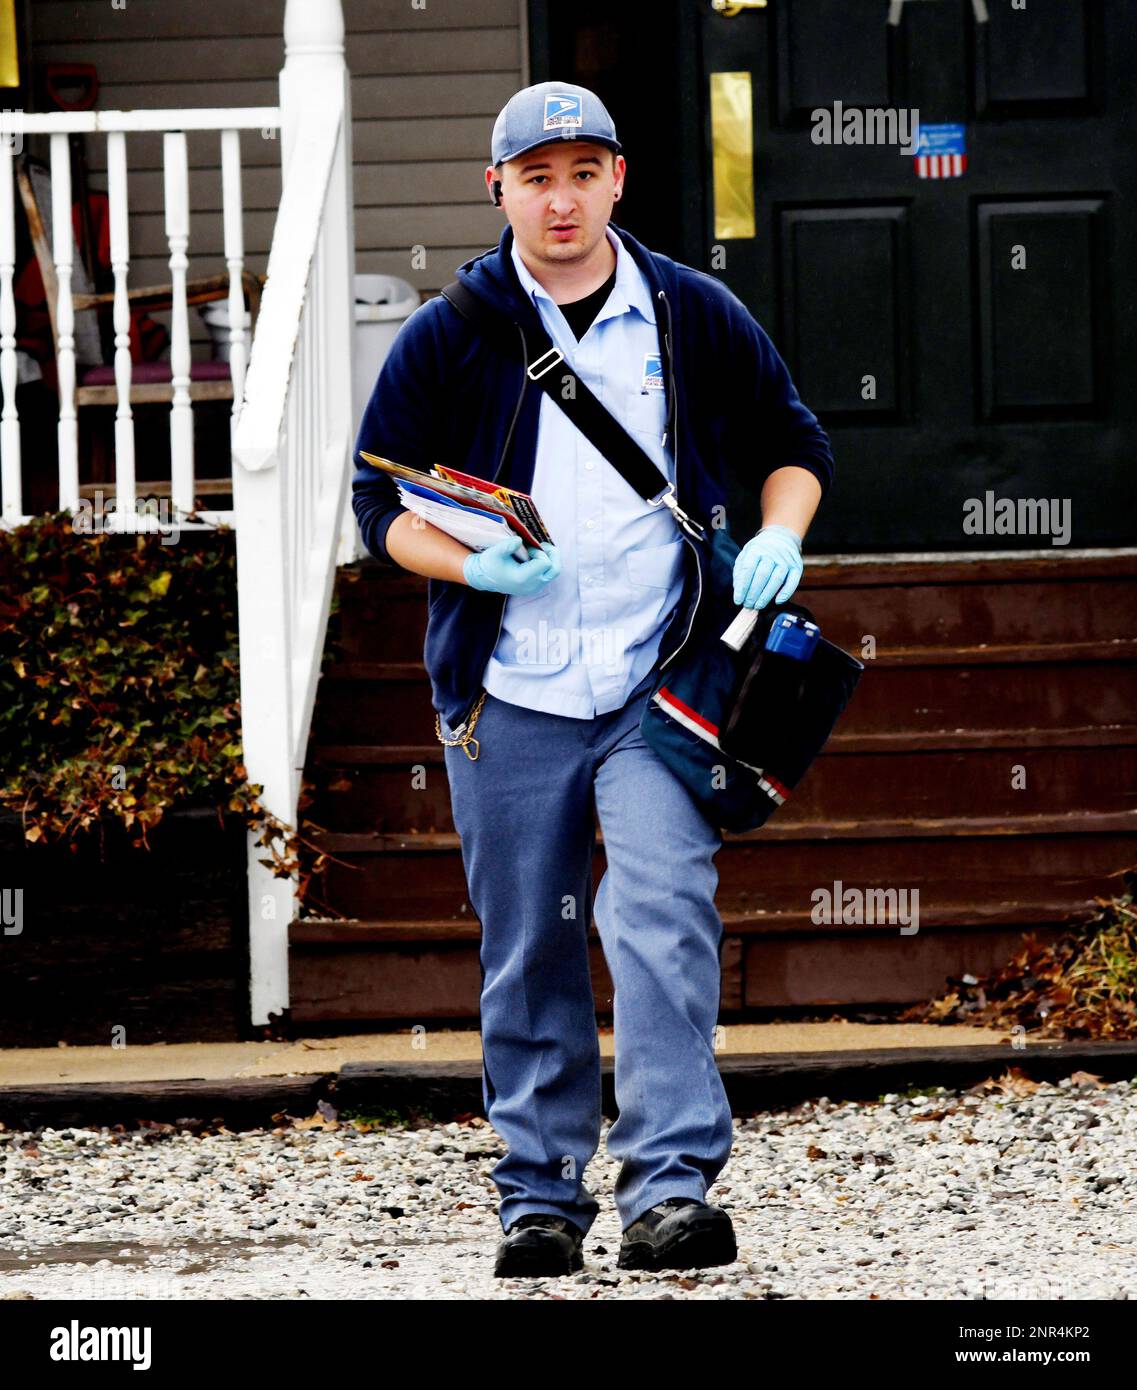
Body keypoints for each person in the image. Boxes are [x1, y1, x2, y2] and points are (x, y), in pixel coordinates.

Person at [351, 80, 834, 1279]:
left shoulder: (690, 311)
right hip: (509, 692)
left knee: (662, 917)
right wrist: (473, 562)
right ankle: (543, 1197)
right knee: (531, 943)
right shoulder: (451, 333)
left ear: (618, 179)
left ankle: (668, 1190)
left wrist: (782, 534)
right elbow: (378, 510)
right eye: (536, 176)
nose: (560, 200)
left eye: (582, 174)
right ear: (497, 189)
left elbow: (794, 446)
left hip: (656, 684)